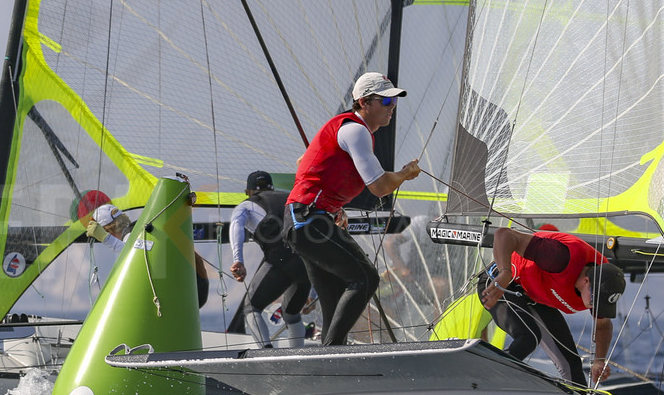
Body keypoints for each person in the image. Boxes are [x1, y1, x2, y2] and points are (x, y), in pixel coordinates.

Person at [284, 72, 420, 346]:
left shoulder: (347, 130)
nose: (392, 107)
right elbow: (380, 187)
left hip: (305, 219)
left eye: (394, 101)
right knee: (366, 278)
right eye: (385, 101)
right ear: (364, 102)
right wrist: (404, 174)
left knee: (334, 299)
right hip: (308, 221)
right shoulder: (355, 130)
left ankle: (331, 359)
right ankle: (332, 355)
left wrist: (333, 207)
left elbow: (304, 162)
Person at [476, 226, 627, 386]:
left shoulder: (606, 282)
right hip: (500, 284)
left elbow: (603, 325)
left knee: (571, 365)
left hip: (535, 294)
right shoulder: (559, 257)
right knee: (528, 338)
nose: (595, 307)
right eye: (594, 301)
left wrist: (599, 360)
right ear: (586, 281)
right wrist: (505, 272)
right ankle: (480, 382)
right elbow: (503, 234)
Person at [227, 170, 312, 348]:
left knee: (251, 307)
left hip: (281, 259)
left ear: (247, 192)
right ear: (272, 187)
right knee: (291, 313)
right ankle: (301, 357)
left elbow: (236, 225)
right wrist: (314, 291)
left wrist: (238, 260)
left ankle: (267, 354)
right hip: (308, 263)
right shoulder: (291, 197)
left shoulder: (246, 205)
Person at [87, 201, 210, 305]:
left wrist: (104, 238)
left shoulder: (131, 233)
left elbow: (133, 254)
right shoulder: (140, 229)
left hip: (188, 292)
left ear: (109, 230)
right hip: (196, 288)